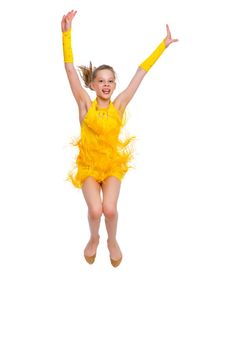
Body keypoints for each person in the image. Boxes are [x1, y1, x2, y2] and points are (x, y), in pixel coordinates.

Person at [61, 10, 178, 267]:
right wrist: (66, 35)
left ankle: (112, 241)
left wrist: (163, 46)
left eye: (110, 81)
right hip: (89, 167)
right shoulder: (84, 105)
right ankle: (94, 238)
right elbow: (70, 70)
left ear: (114, 85)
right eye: (101, 81)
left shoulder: (119, 105)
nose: (106, 85)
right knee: (95, 210)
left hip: (112, 165)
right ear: (92, 85)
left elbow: (140, 73)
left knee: (110, 210)